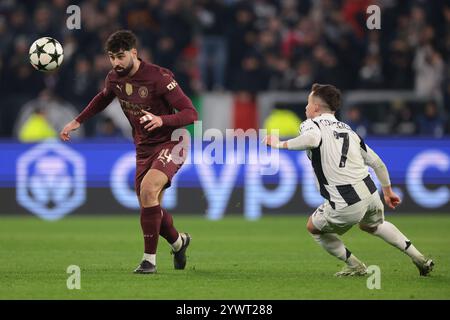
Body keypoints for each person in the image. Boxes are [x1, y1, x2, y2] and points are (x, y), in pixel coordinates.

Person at [59, 30, 198, 274]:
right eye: (112, 57)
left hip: (172, 141)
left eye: (120, 56)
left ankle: (149, 261)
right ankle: (179, 242)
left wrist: (162, 120)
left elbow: (190, 113)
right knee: (149, 204)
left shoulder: (159, 77)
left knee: (148, 190)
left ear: (134, 53)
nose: (116, 62)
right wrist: (78, 121)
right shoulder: (114, 78)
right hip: (143, 147)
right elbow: (103, 98)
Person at [264, 83, 434, 277]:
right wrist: (387, 191)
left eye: (308, 103)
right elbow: (377, 163)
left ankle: (356, 266)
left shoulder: (311, 124)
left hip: (346, 200)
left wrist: (279, 143)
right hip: (370, 193)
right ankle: (419, 258)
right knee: (374, 225)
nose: (305, 108)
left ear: (316, 108)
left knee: (313, 227)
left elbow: (311, 140)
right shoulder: (348, 130)